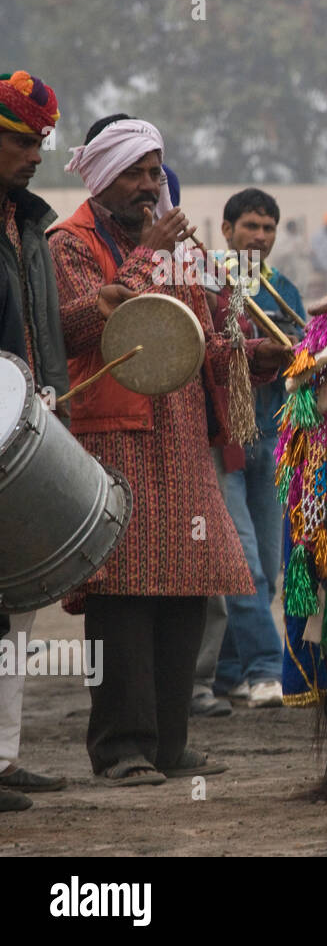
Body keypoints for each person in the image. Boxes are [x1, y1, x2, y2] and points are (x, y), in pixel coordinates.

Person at [49, 116, 291, 785]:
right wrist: (148, 253)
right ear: (102, 178)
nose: (151, 185)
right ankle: (120, 747)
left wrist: (254, 355)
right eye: (136, 173)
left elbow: (207, 341)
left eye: (156, 172)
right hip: (112, 439)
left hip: (184, 440)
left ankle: (168, 741)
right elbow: (70, 326)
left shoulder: (188, 256)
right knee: (122, 594)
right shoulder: (67, 244)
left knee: (187, 589)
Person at [203, 187, 305, 709]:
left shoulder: (282, 287)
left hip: (272, 440)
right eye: (250, 227)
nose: (260, 237)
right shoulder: (210, 282)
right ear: (226, 231)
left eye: (268, 229)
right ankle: (267, 668)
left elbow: (304, 358)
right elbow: (212, 352)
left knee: (268, 561)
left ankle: (227, 673)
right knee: (246, 564)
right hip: (225, 443)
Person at [0, 69, 69, 813]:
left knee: (15, 602)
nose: (36, 154)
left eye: (40, 141)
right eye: (21, 140)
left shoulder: (31, 224)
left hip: (29, 427)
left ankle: (4, 755)